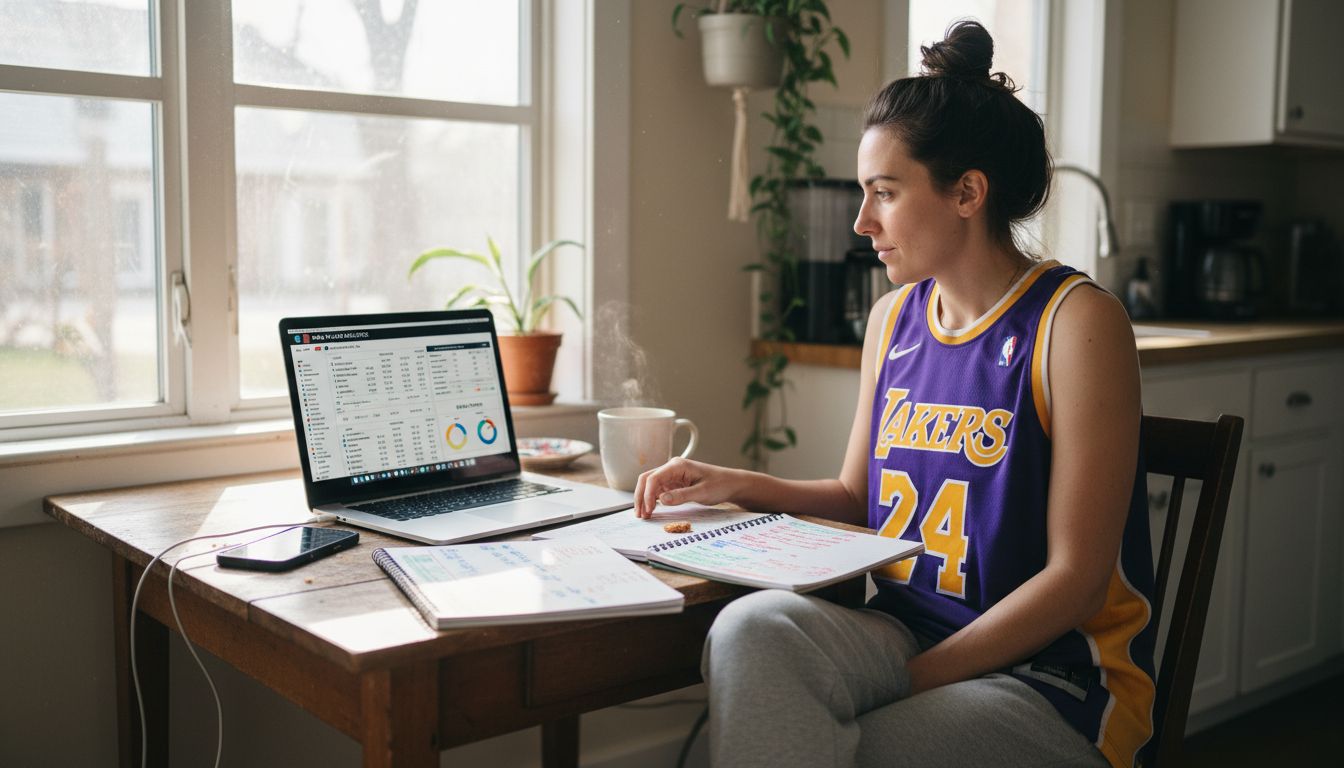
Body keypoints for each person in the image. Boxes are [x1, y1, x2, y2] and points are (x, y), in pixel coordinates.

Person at [633, 20, 1156, 768]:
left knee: (856, 748)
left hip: (1052, 680)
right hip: (906, 628)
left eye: (884, 193)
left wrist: (908, 683)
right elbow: (857, 495)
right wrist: (736, 484)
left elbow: (1074, 584)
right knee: (748, 630)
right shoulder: (893, 320)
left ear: (968, 193)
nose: (861, 221)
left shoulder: (1076, 324)